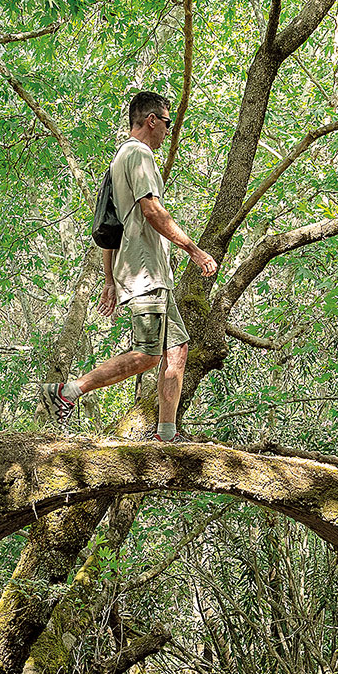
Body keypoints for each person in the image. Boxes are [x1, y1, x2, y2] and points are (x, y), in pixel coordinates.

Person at [41, 91, 218, 441]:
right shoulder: (139, 154)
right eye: (167, 122)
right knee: (149, 354)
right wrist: (194, 250)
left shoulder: (118, 161)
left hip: (146, 271)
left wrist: (109, 279)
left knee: (177, 349)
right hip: (145, 270)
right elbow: (152, 211)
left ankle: (166, 434)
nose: (169, 130)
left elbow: (108, 227)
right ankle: (69, 391)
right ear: (152, 120)